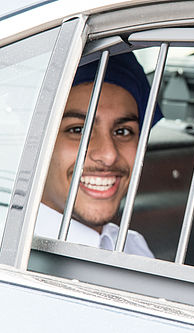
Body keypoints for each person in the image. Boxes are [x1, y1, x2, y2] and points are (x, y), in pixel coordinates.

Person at [35, 53, 162, 257]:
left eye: (123, 131)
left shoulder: (132, 247)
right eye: (78, 130)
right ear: (33, 140)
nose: (109, 154)